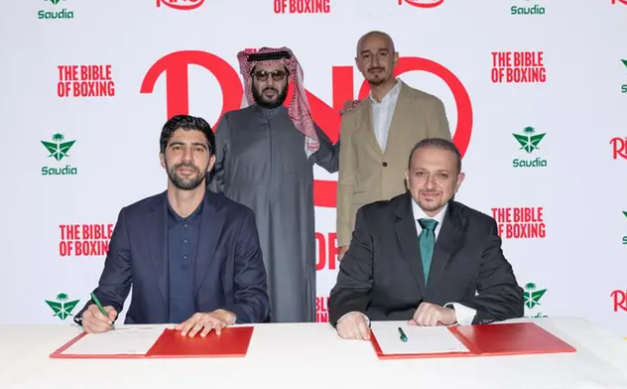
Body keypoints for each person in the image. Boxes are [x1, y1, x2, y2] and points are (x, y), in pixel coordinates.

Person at [75, 115, 270, 337]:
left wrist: (224, 315)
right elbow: (108, 294)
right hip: (146, 346)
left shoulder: (238, 219)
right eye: (177, 148)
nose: (187, 158)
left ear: (211, 162)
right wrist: (93, 314)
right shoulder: (133, 220)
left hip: (215, 345)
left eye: (198, 149)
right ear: (162, 158)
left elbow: (256, 299)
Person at [329, 138, 523, 339]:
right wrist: (350, 314)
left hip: (454, 344)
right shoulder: (373, 220)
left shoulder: (479, 228)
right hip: (386, 340)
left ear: (458, 181)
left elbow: (509, 297)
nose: (430, 185)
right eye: (421, 174)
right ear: (407, 177)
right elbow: (348, 289)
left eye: (442, 175)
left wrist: (453, 313)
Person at [208, 47, 339, 323]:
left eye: (277, 75)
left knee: (291, 322)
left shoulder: (304, 127)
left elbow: (335, 161)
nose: (269, 82)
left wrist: (354, 121)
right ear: (251, 80)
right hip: (240, 245)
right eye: (262, 76)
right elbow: (210, 182)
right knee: (241, 321)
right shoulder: (232, 124)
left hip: (291, 247)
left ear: (288, 79)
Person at [337, 31, 452, 261]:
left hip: (418, 227)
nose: (375, 62)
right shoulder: (351, 118)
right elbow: (346, 180)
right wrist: (345, 240)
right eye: (366, 56)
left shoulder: (428, 106)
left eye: (382, 54)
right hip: (368, 233)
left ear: (395, 58)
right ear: (358, 63)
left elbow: (445, 171)